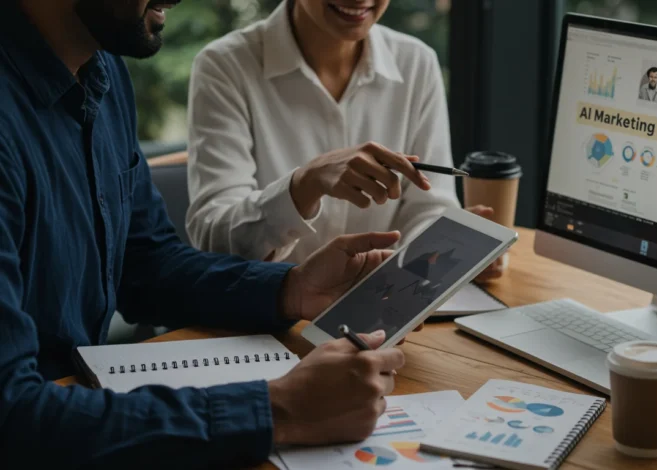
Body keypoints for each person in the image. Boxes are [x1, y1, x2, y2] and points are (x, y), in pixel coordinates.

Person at [0, 0, 412, 467]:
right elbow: (11, 417)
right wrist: (278, 409)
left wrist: (289, 290)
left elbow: (146, 263)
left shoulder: (103, 70)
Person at [185, 0, 503, 280]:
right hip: (267, 319)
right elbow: (214, 241)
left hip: (382, 309)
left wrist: (445, 252)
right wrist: (303, 186)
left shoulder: (417, 63)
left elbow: (429, 207)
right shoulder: (224, 66)